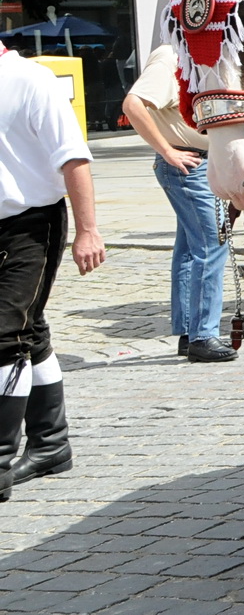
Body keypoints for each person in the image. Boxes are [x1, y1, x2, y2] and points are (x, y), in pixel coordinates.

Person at [0, 45, 105, 502]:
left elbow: (74, 159)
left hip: (31, 223)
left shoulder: (32, 80)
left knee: (6, 334)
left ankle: (1, 456)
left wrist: (88, 230)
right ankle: (50, 443)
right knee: (32, 328)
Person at [121, 45, 237, 363]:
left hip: (197, 162)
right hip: (187, 163)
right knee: (211, 245)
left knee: (190, 249)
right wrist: (168, 151)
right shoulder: (171, 57)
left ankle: (191, 332)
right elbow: (133, 104)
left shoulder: (192, 56)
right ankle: (203, 336)